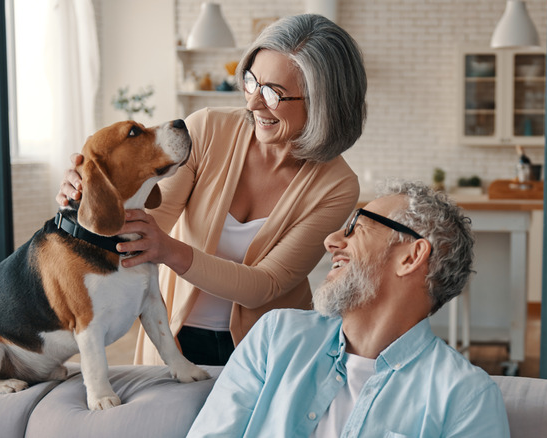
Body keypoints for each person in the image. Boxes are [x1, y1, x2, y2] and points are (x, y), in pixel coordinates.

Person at [56, 14, 367, 366]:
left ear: (323, 102)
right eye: (252, 82)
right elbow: (142, 222)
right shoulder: (206, 129)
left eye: (273, 93)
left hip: (269, 351)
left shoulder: (337, 186)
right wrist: (92, 188)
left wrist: (170, 250)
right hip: (174, 336)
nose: (252, 104)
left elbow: (265, 285)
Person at [186, 180, 511, 438]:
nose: (331, 240)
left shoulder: (466, 398)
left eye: (357, 227)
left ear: (411, 257)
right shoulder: (276, 337)